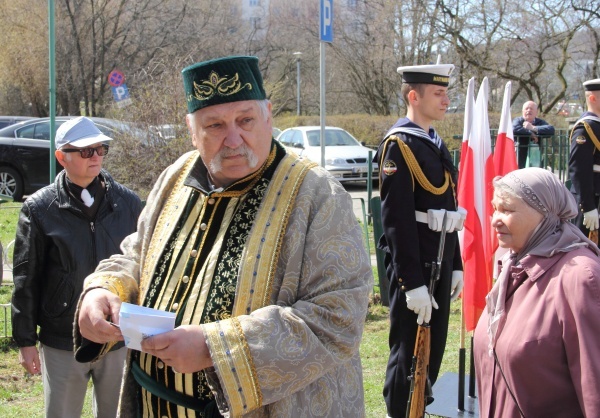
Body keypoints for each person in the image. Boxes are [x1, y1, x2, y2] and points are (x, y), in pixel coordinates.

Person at [75, 56, 373, 418]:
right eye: (214, 125)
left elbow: (338, 317)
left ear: (268, 115)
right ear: (191, 129)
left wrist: (215, 349)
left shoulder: (317, 194)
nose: (233, 139)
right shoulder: (176, 176)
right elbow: (137, 256)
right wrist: (104, 290)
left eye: (245, 120)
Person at [11, 116, 143, 418]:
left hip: (117, 336)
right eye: (85, 151)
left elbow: (143, 263)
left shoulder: (129, 203)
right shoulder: (39, 209)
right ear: (61, 157)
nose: (95, 157)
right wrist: (25, 340)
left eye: (100, 149)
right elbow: (25, 277)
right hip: (63, 339)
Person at [374, 63, 465, 417]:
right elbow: (396, 221)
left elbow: (448, 209)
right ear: (414, 96)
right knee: (407, 352)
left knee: (433, 350)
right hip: (414, 267)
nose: (446, 100)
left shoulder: (432, 141)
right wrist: (411, 283)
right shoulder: (399, 145)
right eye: (438, 94)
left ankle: (418, 411)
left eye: (446, 93)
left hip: (440, 259)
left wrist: (455, 263)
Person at [473, 167, 600, 417]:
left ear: (544, 213)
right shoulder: (514, 264)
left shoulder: (580, 276)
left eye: (507, 210)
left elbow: (594, 385)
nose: (495, 219)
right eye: (495, 208)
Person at [568, 78, 600, 240]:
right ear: (593, 98)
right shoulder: (586, 127)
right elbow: (578, 170)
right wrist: (588, 207)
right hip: (591, 200)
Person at [512, 101, 555, 169]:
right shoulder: (518, 120)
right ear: (522, 111)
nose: (529, 110)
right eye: (526, 108)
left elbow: (551, 129)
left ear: (536, 112)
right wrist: (530, 133)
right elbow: (514, 128)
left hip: (536, 156)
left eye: (531, 109)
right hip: (520, 154)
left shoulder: (539, 122)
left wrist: (533, 128)